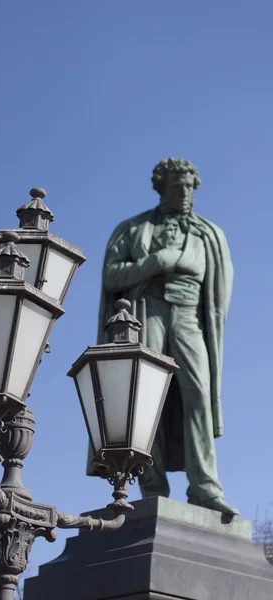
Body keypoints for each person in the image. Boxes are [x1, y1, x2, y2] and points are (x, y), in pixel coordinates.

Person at [90, 157, 238, 515]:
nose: (185, 193)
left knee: (199, 395)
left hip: (189, 317)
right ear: (162, 188)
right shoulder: (133, 229)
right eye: (177, 186)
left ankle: (205, 488)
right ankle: (151, 486)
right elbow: (111, 276)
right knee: (144, 394)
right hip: (147, 311)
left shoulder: (209, 233)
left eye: (189, 186)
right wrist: (156, 262)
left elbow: (219, 290)